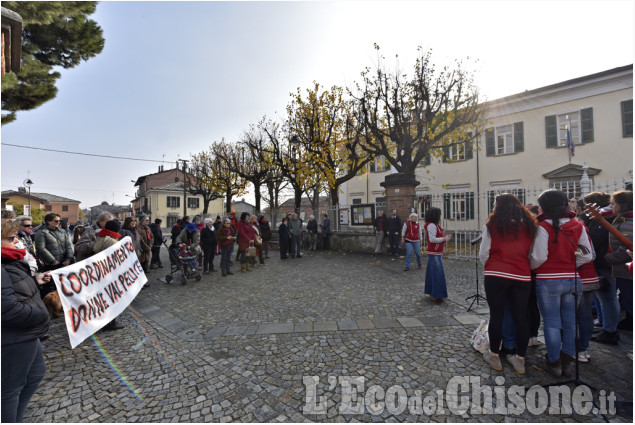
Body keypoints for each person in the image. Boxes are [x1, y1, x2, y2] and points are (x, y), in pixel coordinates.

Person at [530, 189, 593, 378]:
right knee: (570, 322)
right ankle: (567, 360)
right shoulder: (578, 224)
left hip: (548, 279)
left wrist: (534, 268)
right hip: (573, 279)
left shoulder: (542, 226)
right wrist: (573, 263)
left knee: (551, 323)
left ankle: (554, 362)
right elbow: (588, 254)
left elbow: (539, 256)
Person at [479, 194, 538, 375]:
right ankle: (519, 358)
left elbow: (484, 252)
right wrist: (527, 267)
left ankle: (495, 355)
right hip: (521, 275)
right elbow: (537, 254)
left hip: (496, 273)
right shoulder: (531, 226)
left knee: (496, 315)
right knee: (521, 316)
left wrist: (489, 267)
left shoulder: (492, 224)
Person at [1, 220, 51, 423]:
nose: (16, 243)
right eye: (10, 238)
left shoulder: (9, 262)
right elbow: (8, 310)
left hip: (27, 335)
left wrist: (35, 280)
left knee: (35, 375)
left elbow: (14, 290)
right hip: (14, 338)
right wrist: (41, 313)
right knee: (10, 390)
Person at [584, 192, 621, 345]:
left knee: (608, 298)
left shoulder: (605, 219)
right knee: (604, 298)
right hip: (601, 262)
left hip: (603, 263)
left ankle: (610, 331)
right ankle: (607, 326)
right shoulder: (602, 218)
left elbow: (598, 241)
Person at [604, 190, 633, 332]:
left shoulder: (630, 222)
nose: (611, 206)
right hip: (621, 270)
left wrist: (608, 259)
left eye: (613, 203)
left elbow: (626, 249)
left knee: (630, 300)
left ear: (623, 205)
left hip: (626, 270)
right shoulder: (621, 219)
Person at [93, 220, 126, 331]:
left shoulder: (101, 237)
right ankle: (111, 323)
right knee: (112, 297)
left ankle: (104, 321)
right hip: (110, 274)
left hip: (101, 273)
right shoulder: (112, 242)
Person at [423, 207, 451, 302]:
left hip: (436, 252)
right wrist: (444, 239)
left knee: (433, 274)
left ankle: (433, 292)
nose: (440, 216)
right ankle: (436, 294)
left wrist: (443, 237)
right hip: (434, 253)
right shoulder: (432, 225)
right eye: (439, 214)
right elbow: (432, 239)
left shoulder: (435, 225)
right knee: (437, 275)